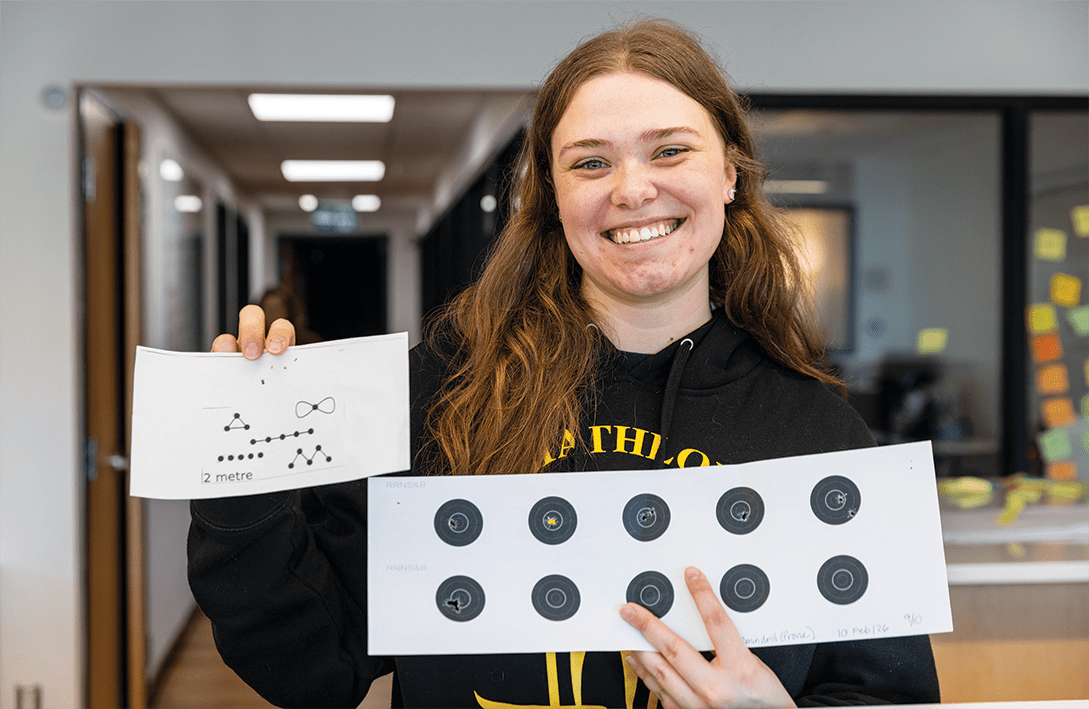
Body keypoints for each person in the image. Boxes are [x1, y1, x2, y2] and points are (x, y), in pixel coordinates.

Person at [189, 19, 940, 708]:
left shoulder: (814, 428)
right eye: (590, 162)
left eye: (669, 149)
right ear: (551, 195)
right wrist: (242, 477)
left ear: (730, 174)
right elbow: (309, 666)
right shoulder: (442, 390)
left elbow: (891, 693)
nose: (633, 188)